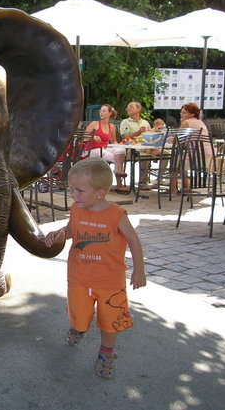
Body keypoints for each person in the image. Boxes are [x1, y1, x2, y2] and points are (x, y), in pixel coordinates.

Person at [44, 158, 146, 379]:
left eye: (80, 190)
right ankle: (78, 328)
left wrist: (139, 271)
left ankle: (106, 353)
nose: (73, 195)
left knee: (110, 321)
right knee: (79, 314)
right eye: (72, 189)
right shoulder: (76, 209)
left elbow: (134, 241)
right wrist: (60, 233)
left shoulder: (117, 215)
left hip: (110, 281)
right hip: (79, 277)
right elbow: (72, 229)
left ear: (100, 193)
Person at [169, 102, 213, 194]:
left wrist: (170, 139)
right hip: (208, 158)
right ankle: (185, 188)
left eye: (184, 113)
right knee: (181, 157)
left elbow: (179, 141)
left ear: (192, 114)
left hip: (196, 158)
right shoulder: (200, 123)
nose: (181, 114)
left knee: (175, 160)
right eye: (181, 112)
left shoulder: (187, 123)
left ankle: (172, 189)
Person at [85, 104, 128, 194]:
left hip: (104, 148)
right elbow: (84, 137)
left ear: (110, 113)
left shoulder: (111, 126)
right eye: (100, 111)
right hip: (93, 149)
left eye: (104, 111)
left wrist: (119, 145)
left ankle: (118, 170)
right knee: (118, 159)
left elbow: (113, 141)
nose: (101, 113)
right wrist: (93, 137)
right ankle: (119, 182)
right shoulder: (94, 124)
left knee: (120, 150)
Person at [120, 102, 152, 190]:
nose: (128, 109)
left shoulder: (145, 122)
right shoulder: (125, 122)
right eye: (127, 108)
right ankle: (143, 182)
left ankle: (160, 179)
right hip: (132, 149)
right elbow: (124, 137)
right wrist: (138, 133)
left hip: (146, 146)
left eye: (131, 107)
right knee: (145, 156)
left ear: (138, 109)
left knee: (165, 153)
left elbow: (151, 134)